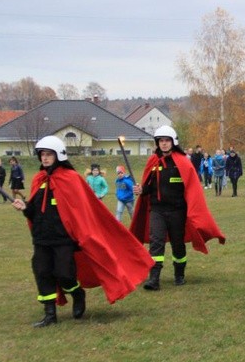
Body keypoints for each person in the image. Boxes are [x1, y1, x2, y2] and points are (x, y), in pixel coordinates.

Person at [11, 136, 154, 327]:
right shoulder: (39, 179)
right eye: (42, 155)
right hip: (42, 238)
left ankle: (77, 294)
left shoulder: (71, 179)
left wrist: (82, 236)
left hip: (63, 239)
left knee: (65, 274)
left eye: (48, 154)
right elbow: (35, 210)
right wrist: (25, 207)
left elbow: (82, 211)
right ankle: (49, 314)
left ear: (58, 155)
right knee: (43, 272)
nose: (44, 158)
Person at [130, 126, 226, 290]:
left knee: (178, 244)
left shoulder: (182, 163)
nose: (164, 144)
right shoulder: (153, 162)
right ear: (157, 143)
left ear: (173, 142)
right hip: (157, 210)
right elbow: (149, 187)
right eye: (161, 141)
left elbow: (192, 188)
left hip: (177, 211)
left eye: (167, 141)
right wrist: (141, 190)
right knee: (156, 243)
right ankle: (154, 278)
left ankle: (179, 274)